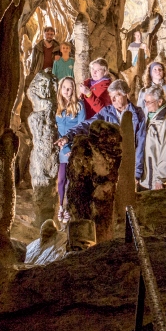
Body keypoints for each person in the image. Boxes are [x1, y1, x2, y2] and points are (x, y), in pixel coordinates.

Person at [57, 79, 146, 185]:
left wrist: (137, 172)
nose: (112, 99)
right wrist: (68, 136)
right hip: (110, 165)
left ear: (125, 94)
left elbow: (140, 143)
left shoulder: (138, 115)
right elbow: (86, 124)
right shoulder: (107, 112)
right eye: (111, 95)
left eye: (116, 95)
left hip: (128, 163)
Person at [54, 76, 86, 222]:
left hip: (73, 146)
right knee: (61, 180)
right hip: (60, 146)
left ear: (73, 90)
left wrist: (74, 147)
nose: (67, 91)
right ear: (60, 89)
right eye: (64, 88)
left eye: (70, 88)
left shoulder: (79, 106)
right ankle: (60, 206)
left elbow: (81, 127)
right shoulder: (56, 106)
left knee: (69, 181)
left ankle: (67, 208)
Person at [139, 85, 166, 190]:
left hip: (157, 182)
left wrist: (161, 179)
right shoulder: (150, 118)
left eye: (149, 102)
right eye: (145, 101)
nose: (146, 105)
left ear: (160, 102)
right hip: (147, 178)